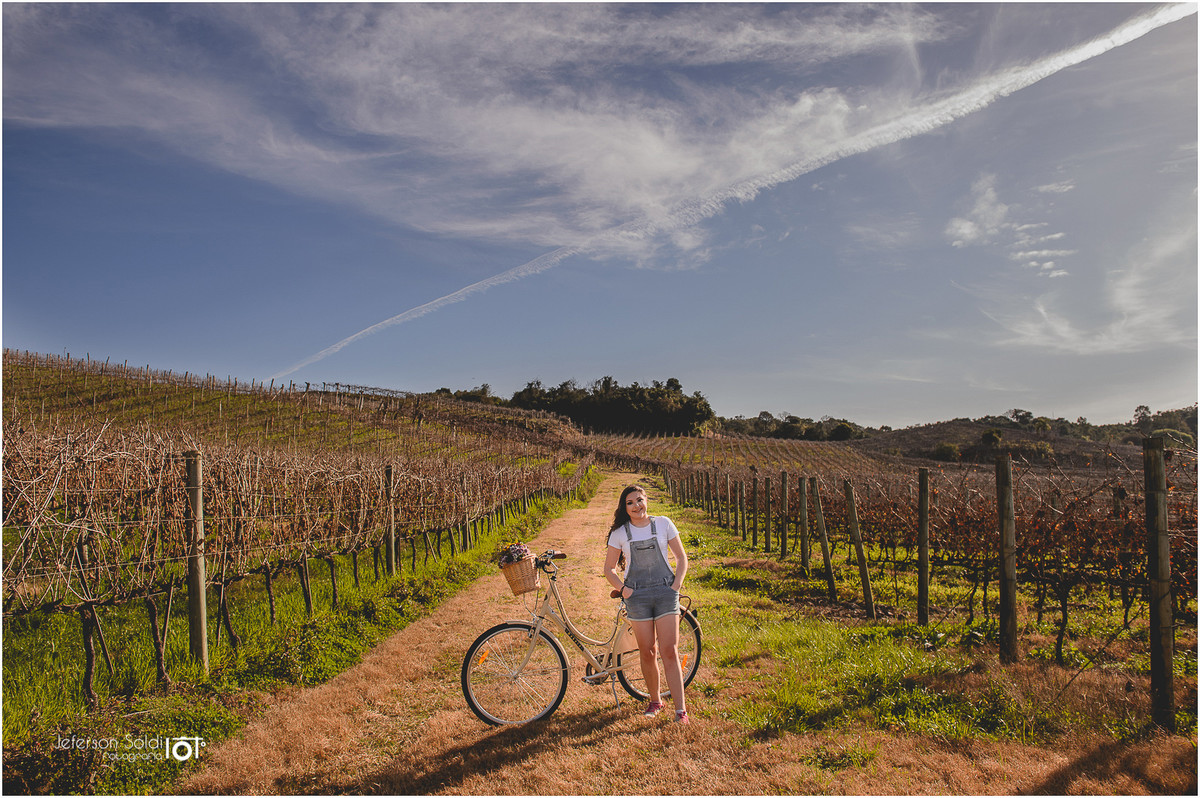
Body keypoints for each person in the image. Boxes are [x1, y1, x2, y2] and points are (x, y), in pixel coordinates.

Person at [603, 484, 690, 724]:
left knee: (669, 651)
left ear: (646, 500)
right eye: (630, 503)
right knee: (647, 650)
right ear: (625, 507)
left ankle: (680, 710)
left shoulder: (663, 523)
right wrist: (624, 589)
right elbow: (608, 569)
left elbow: (681, 558)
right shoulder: (620, 533)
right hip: (637, 597)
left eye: (639, 500)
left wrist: (675, 587)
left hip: (665, 593)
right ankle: (655, 700)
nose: (636, 506)